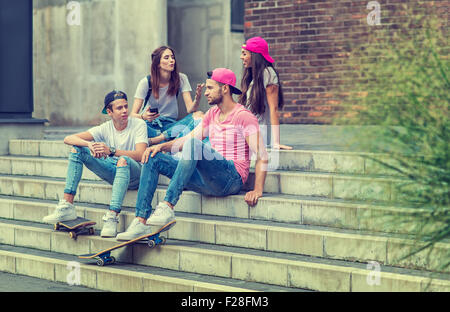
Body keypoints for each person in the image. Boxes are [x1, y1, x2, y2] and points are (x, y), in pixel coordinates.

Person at [116, 68, 268, 240]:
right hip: (206, 178)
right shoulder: (212, 113)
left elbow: (262, 154)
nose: (206, 93)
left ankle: (167, 205)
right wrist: (160, 146)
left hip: (230, 178)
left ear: (225, 89)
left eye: (210, 88)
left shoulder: (243, 116)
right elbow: (186, 139)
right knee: (154, 157)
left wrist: (258, 189)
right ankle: (140, 221)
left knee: (194, 145)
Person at [42, 90, 148, 238]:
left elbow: (141, 154)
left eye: (126, 106)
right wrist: (89, 145)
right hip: (115, 171)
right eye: (119, 108)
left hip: (136, 173)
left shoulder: (138, 124)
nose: (124, 111)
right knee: (77, 149)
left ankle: (112, 216)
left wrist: (110, 150)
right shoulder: (105, 127)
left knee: (123, 160)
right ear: (109, 112)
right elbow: (68, 138)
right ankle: (67, 205)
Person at [130, 45, 204, 144]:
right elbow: (132, 115)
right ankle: (169, 140)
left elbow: (190, 110)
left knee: (199, 115)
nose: (171, 60)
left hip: (171, 126)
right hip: (150, 126)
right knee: (138, 126)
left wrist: (197, 98)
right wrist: (144, 117)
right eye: (166, 58)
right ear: (157, 64)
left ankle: (160, 140)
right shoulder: (146, 82)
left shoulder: (181, 78)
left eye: (172, 57)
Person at [239, 36, 293, 150]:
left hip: (258, 135)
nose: (241, 57)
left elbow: (274, 108)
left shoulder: (268, 73)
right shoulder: (253, 76)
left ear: (254, 55)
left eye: (244, 54)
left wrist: (276, 142)